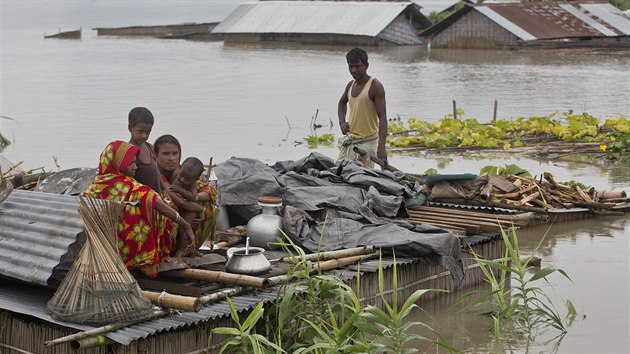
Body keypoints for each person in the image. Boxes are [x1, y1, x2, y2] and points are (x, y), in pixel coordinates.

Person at [83, 140, 196, 278]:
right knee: (158, 213)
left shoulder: (95, 185)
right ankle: (145, 262)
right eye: (131, 163)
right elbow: (157, 204)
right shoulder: (127, 186)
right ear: (119, 163)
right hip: (127, 248)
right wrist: (186, 225)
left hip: (104, 247)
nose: (135, 167)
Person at [154, 135, 219, 251]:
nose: (171, 158)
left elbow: (208, 190)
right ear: (156, 154)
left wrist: (195, 197)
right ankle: (173, 250)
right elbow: (178, 201)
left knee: (208, 201)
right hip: (165, 214)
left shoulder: (184, 171)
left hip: (186, 209)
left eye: (175, 153)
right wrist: (199, 208)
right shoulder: (154, 173)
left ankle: (189, 248)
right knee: (175, 207)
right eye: (166, 154)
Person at [337, 47, 388, 168]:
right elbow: (341, 103)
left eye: (357, 66)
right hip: (352, 140)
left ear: (366, 66)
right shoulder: (350, 85)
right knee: (338, 172)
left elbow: (383, 118)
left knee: (361, 177)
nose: (353, 70)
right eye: (350, 67)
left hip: (368, 142)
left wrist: (381, 147)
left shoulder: (375, 86)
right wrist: (342, 122)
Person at [127, 107, 164, 197]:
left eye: (148, 132)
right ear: (130, 128)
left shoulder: (150, 147)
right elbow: (128, 180)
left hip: (157, 196)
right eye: (140, 131)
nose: (144, 136)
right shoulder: (128, 152)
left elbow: (157, 173)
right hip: (142, 198)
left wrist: (164, 190)